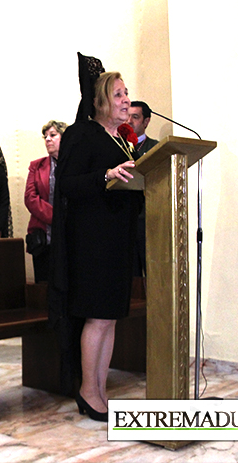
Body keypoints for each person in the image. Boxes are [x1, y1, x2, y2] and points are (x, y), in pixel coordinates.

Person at [52, 63, 142, 422]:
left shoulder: (122, 138)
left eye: (126, 93)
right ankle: (89, 391)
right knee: (98, 317)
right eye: (118, 94)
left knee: (111, 318)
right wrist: (107, 174)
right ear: (101, 101)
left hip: (118, 238)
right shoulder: (81, 134)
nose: (126, 99)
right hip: (92, 241)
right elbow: (69, 185)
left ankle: (101, 390)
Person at [24, 120, 67, 283]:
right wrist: (56, 217)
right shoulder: (37, 166)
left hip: (68, 235)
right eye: (45, 136)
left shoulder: (75, 165)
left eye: (53, 135)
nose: (48, 139)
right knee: (44, 286)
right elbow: (30, 198)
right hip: (43, 237)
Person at [128, 100, 158, 279]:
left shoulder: (155, 148)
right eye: (127, 116)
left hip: (148, 219)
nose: (129, 121)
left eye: (135, 117)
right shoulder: (118, 146)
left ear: (146, 121)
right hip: (126, 218)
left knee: (152, 273)